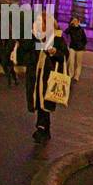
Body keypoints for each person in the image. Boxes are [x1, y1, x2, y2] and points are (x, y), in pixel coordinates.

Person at [30, 11, 69, 143]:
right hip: (38, 74)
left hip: (50, 75)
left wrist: (55, 52)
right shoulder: (38, 38)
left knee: (45, 103)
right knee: (40, 103)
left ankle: (42, 129)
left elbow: (64, 55)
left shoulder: (57, 38)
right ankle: (44, 129)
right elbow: (34, 52)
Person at [64, 16, 87, 82]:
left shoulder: (81, 29)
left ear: (78, 22)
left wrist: (83, 45)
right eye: (74, 21)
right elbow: (66, 32)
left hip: (80, 48)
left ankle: (77, 76)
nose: (75, 22)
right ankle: (71, 75)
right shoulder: (71, 28)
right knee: (71, 61)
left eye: (76, 21)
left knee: (78, 63)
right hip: (72, 47)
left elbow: (85, 39)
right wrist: (70, 25)